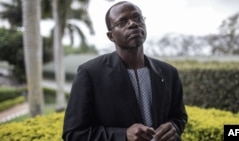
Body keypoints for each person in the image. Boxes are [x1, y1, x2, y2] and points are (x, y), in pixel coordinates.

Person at [62, 1, 188, 141]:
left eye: (137, 18)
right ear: (111, 36)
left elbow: (179, 117)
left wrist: (173, 128)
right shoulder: (90, 73)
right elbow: (73, 134)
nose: (133, 24)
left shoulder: (168, 72)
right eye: (122, 22)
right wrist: (123, 136)